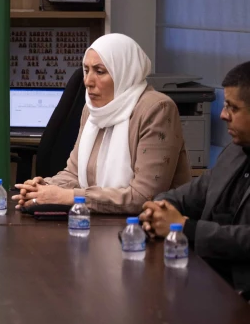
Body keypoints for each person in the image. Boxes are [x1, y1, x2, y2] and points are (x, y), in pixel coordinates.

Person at [13, 33, 190, 214]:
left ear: (124, 72)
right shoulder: (92, 109)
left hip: (145, 230)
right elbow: (74, 173)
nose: (88, 81)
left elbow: (144, 197)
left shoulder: (156, 109)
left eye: (99, 71)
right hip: (95, 222)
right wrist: (43, 187)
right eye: (86, 70)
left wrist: (65, 196)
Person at [142, 61, 250, 297]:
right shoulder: (234, 152)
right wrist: (159, 208)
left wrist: (184, 227)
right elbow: (190, 194)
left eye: (233, 108)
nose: (222, 115)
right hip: (207, 283)